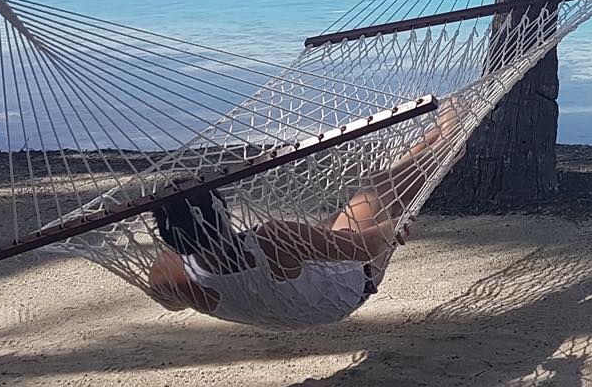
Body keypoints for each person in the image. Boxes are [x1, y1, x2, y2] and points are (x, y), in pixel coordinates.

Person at [145, 98, 460, 327]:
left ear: (167, 233)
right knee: (379, 186)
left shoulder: (167, 272)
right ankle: (448, 135)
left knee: (340, 218)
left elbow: (172, 304)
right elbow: (368, 247)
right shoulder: (271, 237)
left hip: (290, 306)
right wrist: (393, 229)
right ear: (223, 211)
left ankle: (438, 136)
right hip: (348, 288)